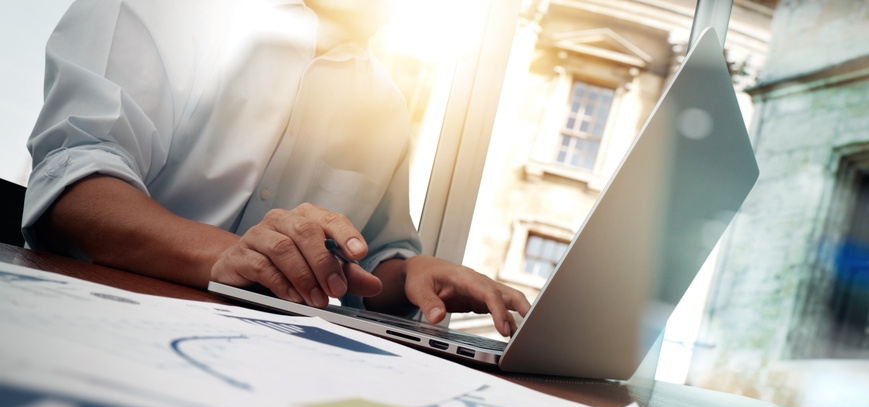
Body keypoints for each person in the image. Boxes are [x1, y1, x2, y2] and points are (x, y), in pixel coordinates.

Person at [22, 0, 529, 336]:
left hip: (264, 361)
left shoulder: (387, 105)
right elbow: (72, 187)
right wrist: (231, 255)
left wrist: (414, 273)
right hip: (96, 327)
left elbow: (371, 261)